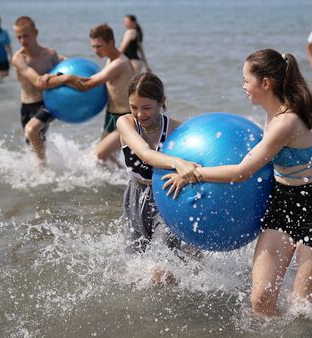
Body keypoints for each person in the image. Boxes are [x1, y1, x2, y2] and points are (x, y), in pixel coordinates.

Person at [162, 49, 312, 315]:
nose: (243, 86)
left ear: (265, 83)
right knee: (261, 301)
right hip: (281, 205)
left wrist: (193, 174)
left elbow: (243, 171)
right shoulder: (270, 117)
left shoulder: (286, 122)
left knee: (303, 309)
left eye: (247, 80)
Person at [117, 73, 200, 280]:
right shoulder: (125, 123)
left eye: (146, 108)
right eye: (134, 107)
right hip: (134, 198)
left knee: (158, 269)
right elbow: (145, 153)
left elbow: (198, 167)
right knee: (133, 271)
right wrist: (177, 162)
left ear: (161, 102)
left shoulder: (178, 130)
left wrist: (184, 175)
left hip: (167, 198)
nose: (139, 114)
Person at [43, 24, 135, 165]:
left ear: (111, 43)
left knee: (99, 155)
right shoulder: (110, 60)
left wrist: (64, 78)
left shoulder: (120, 63)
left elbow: (86, 85)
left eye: (98, 46)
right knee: (107, 159)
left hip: (126, 118)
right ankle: (121, 184)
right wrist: (63, 72)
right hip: (111, 117)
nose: (95, 51)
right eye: (93, 46)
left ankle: (130, 182)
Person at [11, 16, 81, 165]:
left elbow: (69, 67)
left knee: (31, 130)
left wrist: (60, 75)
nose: (22, 40)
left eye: (26, 35)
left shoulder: (50, 55)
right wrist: (66, 78)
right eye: (19, 37)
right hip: (27, 107)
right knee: (34, 142)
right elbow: (37, 82)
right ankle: (52, 165)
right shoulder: (19, 59)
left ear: (35, 32)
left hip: (48, 103)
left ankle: (44, 171)